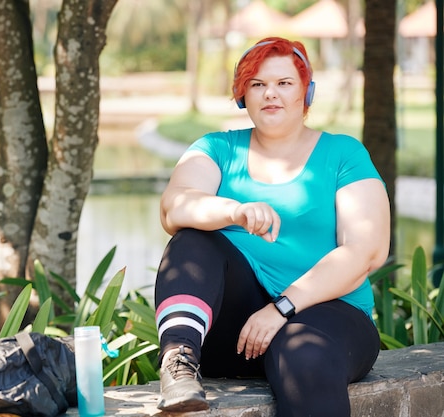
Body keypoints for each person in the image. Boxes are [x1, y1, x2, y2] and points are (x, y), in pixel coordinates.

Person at [154, 37, 391, 416]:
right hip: (236, 337)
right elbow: (173, 207)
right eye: (257, 84)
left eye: (284, 83)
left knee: (304, 355)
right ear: (242, 95)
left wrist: (282, 308)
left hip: (330, 319)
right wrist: (234, 210)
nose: (271, 95)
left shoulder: (343, 153)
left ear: (305, 92)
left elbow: (367, 251)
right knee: (191, 241)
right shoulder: (216, 148)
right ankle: (178, 365)